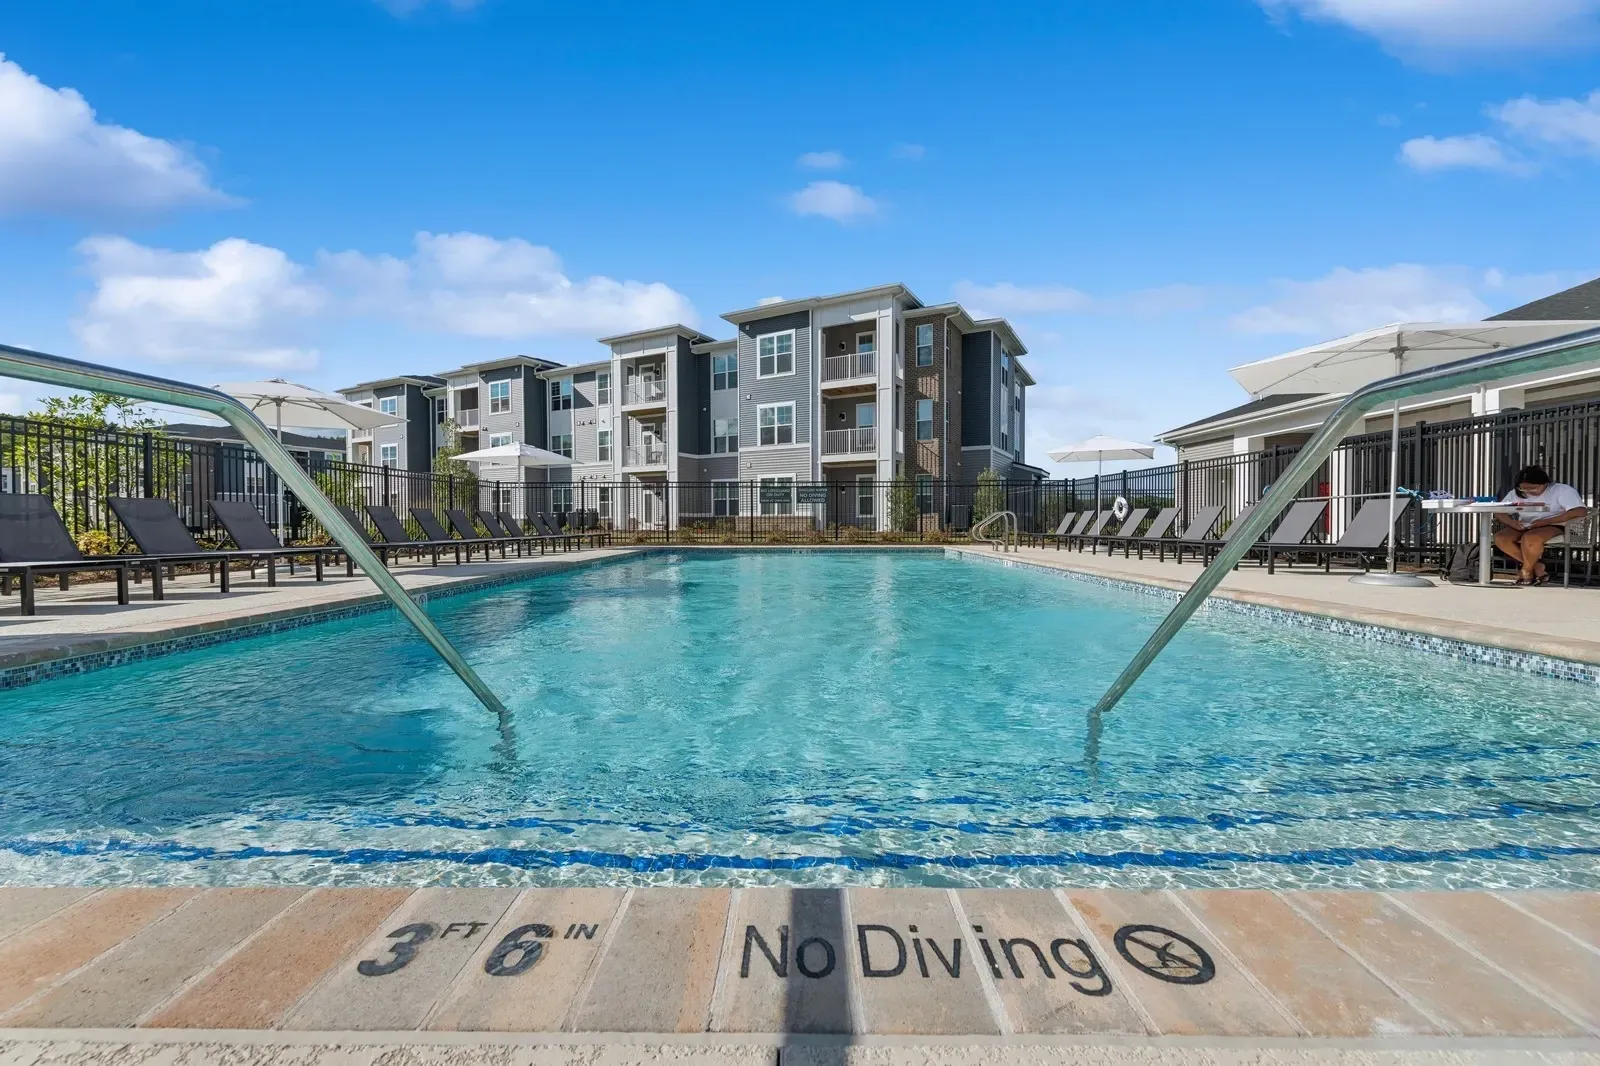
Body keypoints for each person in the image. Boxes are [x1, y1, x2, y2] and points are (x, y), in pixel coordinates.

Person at [1493, 466, 1589, 586]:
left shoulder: (1562, 490)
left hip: (1556, 524)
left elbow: (1580, 511)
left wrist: (1546, 522)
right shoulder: (1515, 493)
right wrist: (1512, 523)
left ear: (1544, 483)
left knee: (1531, 538)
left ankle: (1527, 571)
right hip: (1526, 524)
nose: (1528, 492)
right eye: (1523, 489)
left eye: (1533, 488)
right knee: (1501, 538)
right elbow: (1499, 511)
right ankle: (1537, 566)